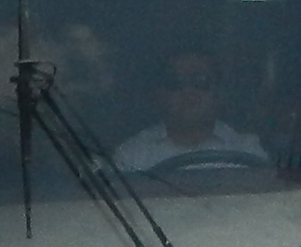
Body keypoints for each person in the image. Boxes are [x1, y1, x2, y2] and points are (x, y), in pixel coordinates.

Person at [113, 49, 271, 177]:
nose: (188, 91)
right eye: (175, 81)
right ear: (159, 94)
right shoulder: (131, 157)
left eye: (201, 81)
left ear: (219, 94)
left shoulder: (246, 151)